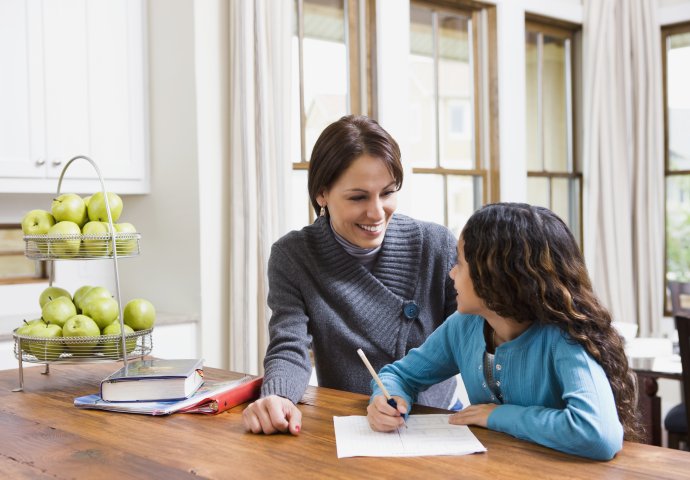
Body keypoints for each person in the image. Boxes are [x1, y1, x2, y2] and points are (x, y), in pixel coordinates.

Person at [366, 203, 642, 461]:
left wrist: (496, 416)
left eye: (460, 263)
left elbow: (598, 434)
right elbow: (400, 375)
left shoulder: (564, 338)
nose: (451, 274)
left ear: (498, 277)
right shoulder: (463, 326)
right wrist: (387, 398)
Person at [242, 115, 459, 435]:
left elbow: (473, 340)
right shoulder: (294, 256)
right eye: (358, 197)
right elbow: (289, 346)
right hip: (350, 429)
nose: (376, 212)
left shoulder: (437, 246)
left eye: (387, 193)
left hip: (437, 422)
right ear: (322, 194)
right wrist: (278, 396)